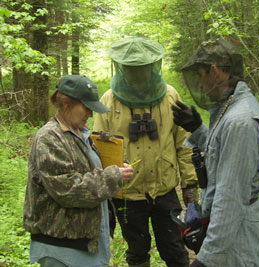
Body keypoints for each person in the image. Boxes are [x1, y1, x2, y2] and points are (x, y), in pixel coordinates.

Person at [93, 37, 199, 267]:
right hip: (128, 194)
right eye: (132, 68)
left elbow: (184, 143)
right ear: (122, 68)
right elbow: (99, 151)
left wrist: (190, 188)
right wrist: (107, 188)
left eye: (142, 68)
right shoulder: (108, 101)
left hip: (165, 189)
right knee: (137, 252)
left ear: (152, 66)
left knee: (175, 249)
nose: (137, 73)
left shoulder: (170, 96)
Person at [171, 38, 259, 267]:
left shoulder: (240, 121)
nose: (199, 85)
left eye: (200, 76)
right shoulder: (231, 108)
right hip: (232, 237)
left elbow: (230, 199)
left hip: (238, 243)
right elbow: (223, 156)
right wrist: (198, 129)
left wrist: (207, 259)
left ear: (215, 72)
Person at [23, 74, 134, 267]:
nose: (91, 114)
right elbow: (68, 189)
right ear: (66, 103)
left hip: (85, 243)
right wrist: (113, 176)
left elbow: (88, 170)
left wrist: (114, 166)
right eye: (86, 108)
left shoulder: (80, 133)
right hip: (62, 248)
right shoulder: (49, 138)